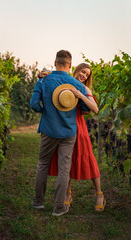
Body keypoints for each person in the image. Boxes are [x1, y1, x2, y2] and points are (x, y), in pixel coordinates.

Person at [30, 50, 90, 216]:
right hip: (68, 132)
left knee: (42, 164)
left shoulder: (44, 80)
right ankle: (58, 207)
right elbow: (85, 109)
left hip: (48, 129)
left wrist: (46, 111)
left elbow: (34, 104)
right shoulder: (78, 85)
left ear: (55, 62)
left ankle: (38, 202)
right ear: (70, 65)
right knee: (65, 169)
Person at [47, 63, 106, 212]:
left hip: (78, 127)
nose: (84, 76)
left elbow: (95, 109)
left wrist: (81, 96)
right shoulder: (65, 83)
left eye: (87, 75)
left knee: (87, 158)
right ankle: (68, 193)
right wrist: (42, 76)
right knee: (65, 160)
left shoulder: (84, 88)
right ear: (76, 69)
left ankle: (99, 194)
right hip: (62, 126)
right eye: (83, 72)